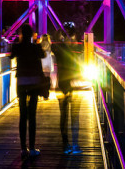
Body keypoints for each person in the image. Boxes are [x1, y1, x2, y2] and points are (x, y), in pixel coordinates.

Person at [9, 24, 45, 157]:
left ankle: (23, 148)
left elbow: (11, 56)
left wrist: (15, 43)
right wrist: (37, 43)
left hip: (22, 82)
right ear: (32, 34)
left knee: (23, 115)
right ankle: (32, 148)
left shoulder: (17, 46)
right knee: (32, 115)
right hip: (34, 82)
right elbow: (43, 55)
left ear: (21, 34)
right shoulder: (35, 47)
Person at [51, 22, 83, 154]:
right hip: (75, 84)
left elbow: (51, 45)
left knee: (63, 116)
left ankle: (66, 145)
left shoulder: (58, 48)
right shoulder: (78, 48)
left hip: (62, 85)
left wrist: (60, 36)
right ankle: (75, 144)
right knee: (74, 116)